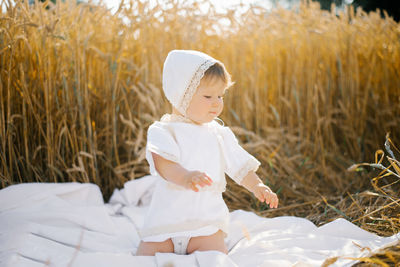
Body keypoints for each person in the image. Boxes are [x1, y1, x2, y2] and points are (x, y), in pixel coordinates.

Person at [136, 50, 278, 256]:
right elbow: (164, 164)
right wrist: (185, 177)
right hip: (165, 225)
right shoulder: (163, 130)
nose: (217, 102)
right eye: (208, 96)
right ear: (180, 96)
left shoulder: (219, 134)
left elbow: (240, 166)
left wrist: (257, 185)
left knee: (216, 256)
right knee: (143, 258)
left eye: (220, 96)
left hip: (205, 225)